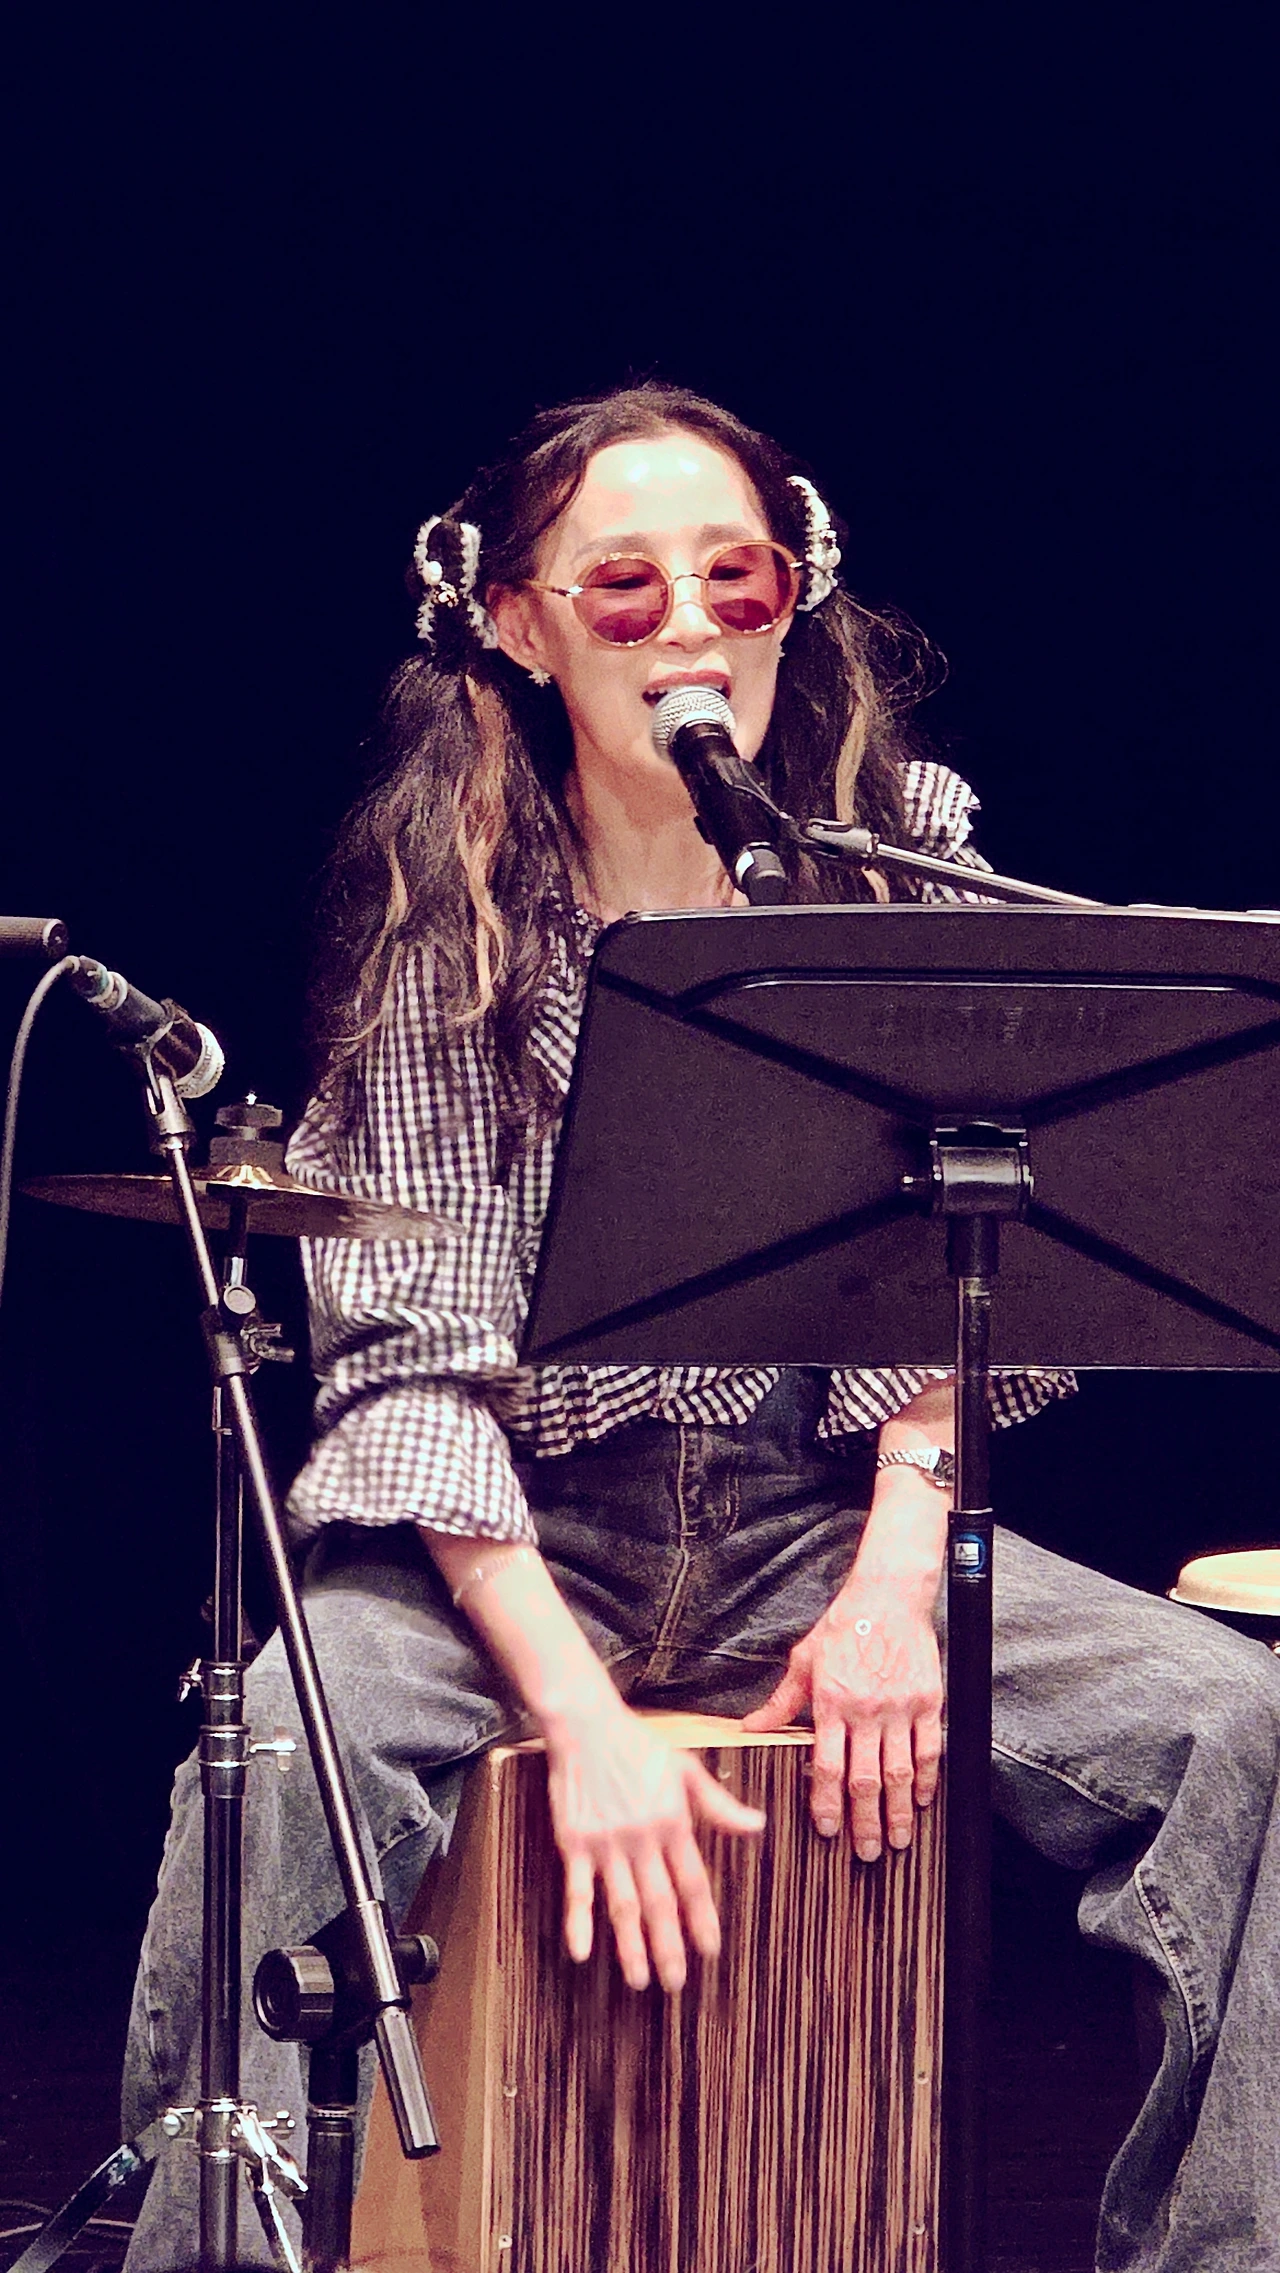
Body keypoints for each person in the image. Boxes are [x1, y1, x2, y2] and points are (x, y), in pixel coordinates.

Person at [123, 384, 1280, 2273]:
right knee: (282, 1754)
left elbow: (962, 1277)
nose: (688, 628)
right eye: (624, 585)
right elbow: (415, 1365)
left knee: (1239, 1725)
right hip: (512, 1535)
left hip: (806, 1517)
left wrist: (895, 1590)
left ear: (791, 598)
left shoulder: (896, 866)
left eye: (733, 581)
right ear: (518, 625)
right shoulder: (450, 927)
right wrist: (579, 1720)